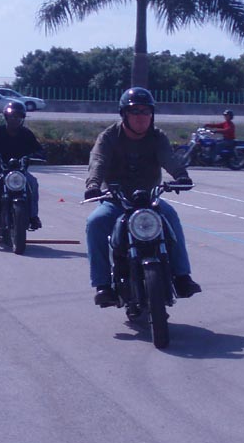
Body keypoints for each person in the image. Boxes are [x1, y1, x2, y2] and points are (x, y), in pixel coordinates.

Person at [84, 87, 200, 307]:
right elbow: (98, 161)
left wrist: (181, 175)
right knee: (95, 222)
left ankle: (182, 277)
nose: (141, 117)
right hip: (116, 200)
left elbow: (169, 158)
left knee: (171, 216)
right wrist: (93, 185)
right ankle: (102, 285)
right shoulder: (109, 137)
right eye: (135, 111)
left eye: (146, 111)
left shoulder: (157, 136)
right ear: (124, 114)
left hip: (149, 200)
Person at [0, 101, 45, 232]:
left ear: (22, 119)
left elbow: (39, 150)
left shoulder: (27, 134)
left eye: (18, 117)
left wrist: (36, 156)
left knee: (33, 182)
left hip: (19, 171)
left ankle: (33, 216)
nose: (15, 119)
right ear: (6, 117)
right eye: (12, 116)